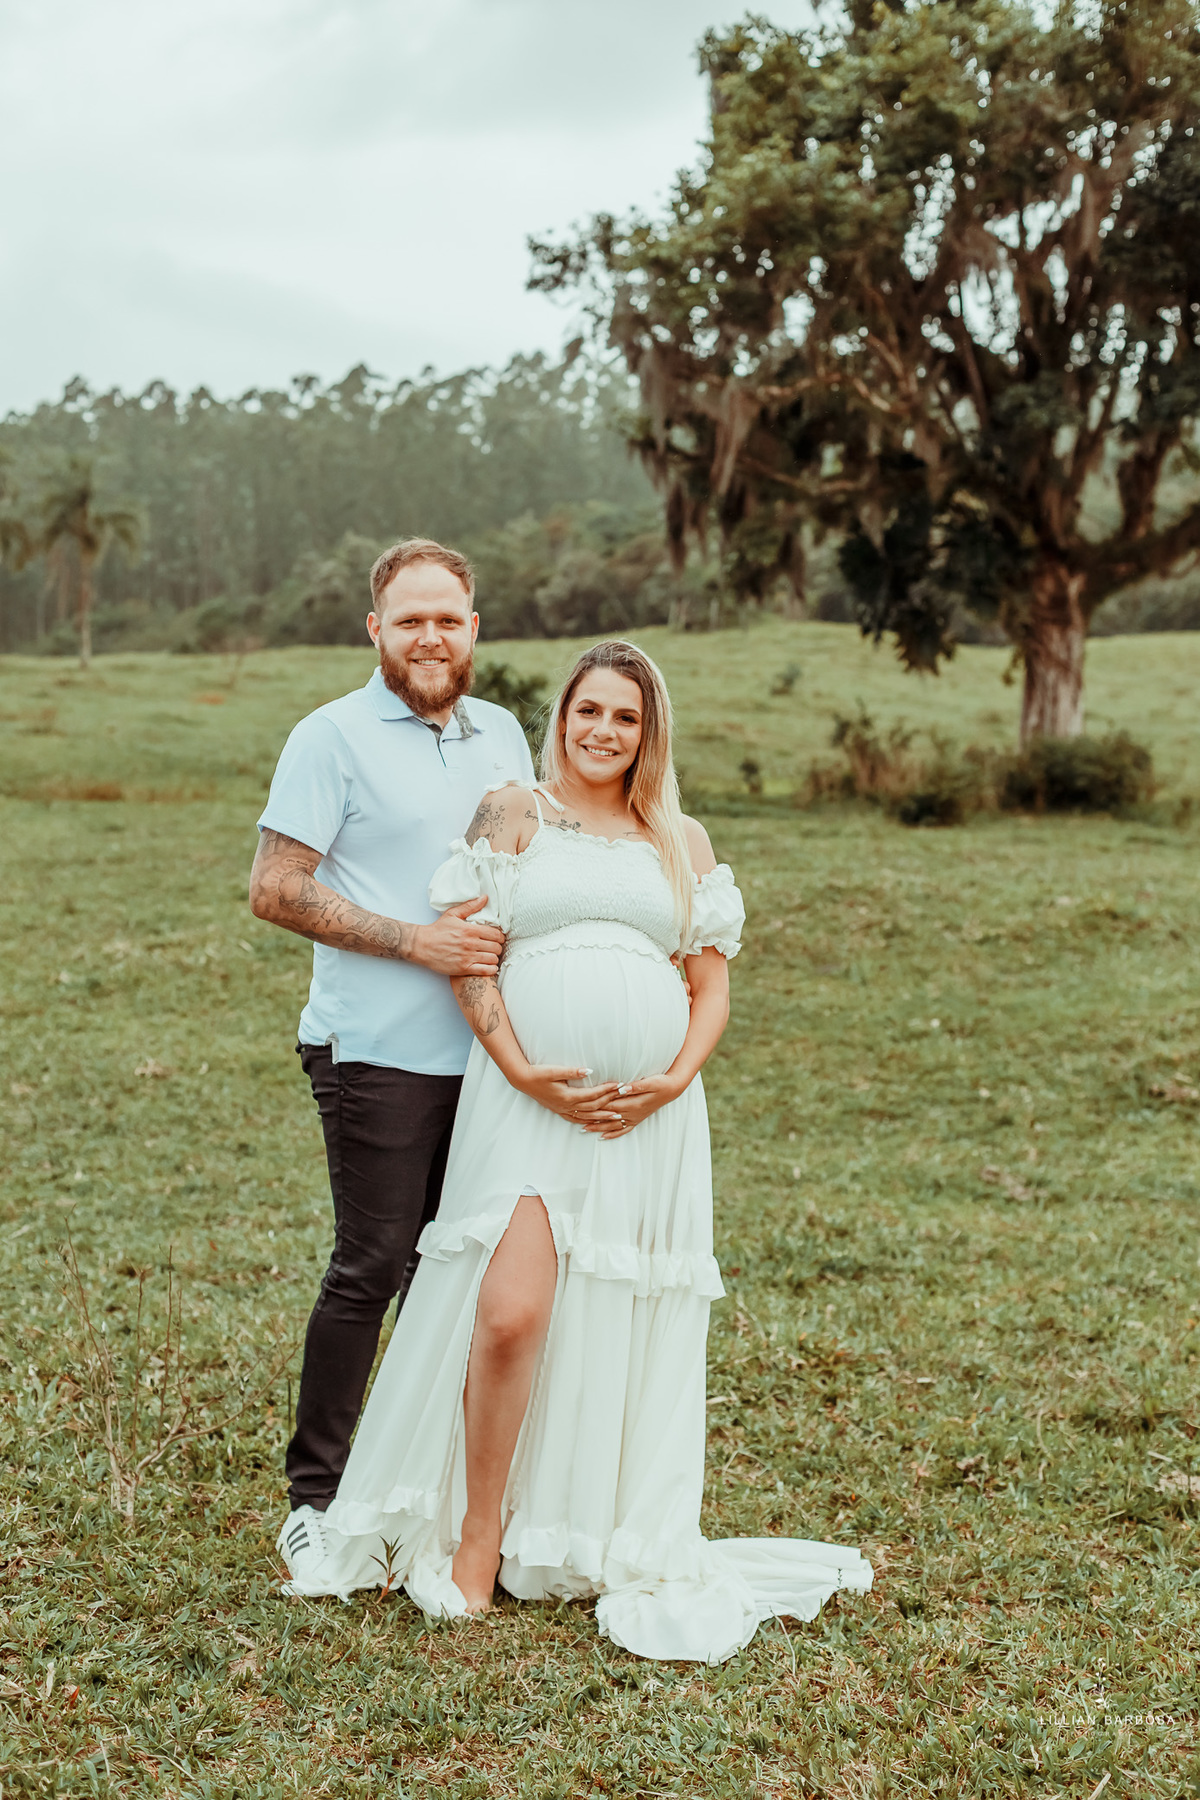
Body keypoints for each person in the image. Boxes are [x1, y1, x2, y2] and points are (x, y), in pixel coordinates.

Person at [286, 639, 872, 1663]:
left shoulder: (680, 839)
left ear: (650, 734)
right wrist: (521, 1068)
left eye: (625, 717)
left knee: (618, 1316)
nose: (603, 731)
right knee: (510, 1313)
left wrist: (674, 1077)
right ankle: (476, 1534)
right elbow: (472, 959)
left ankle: (576, 1527)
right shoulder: (513, 812)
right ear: (560, 718)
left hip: (649, 1118)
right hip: (526, 1104)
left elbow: (711, 985)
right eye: (588, 711)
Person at [249, 536, 562, 1587]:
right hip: (375, 1050)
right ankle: (316, 1500)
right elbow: (275, 888)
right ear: (376, 629)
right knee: (374, 1264)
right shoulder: (328, 737)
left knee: (457, 1270)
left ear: (474, 628)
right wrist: (416, 943)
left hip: (492, 1055)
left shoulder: (504, 733)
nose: (431, 637)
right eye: (410, 619)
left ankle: (431, 1492)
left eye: (448, 619)